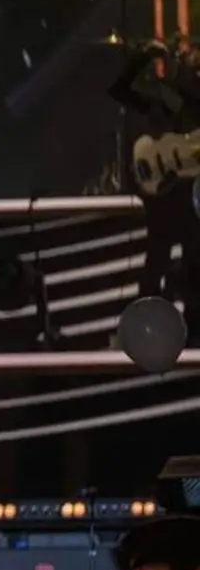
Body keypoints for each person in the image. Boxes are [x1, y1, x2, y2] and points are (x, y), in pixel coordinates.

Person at [108, 37, 200, 343]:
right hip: (162, 194)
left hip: (190, 196)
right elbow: (119, 90)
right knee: (156, 261)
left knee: (193, 262)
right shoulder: (163, 99)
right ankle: (146, 329)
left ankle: (192, 332)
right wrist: (143, 57)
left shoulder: (190, 97)